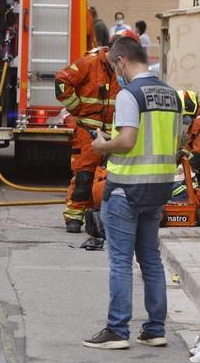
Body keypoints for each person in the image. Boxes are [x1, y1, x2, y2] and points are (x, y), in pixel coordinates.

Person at [83, 36, 181, 350]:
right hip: (158, 188)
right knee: (150, 259)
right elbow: (175, 143)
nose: (116, 73)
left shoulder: (129, 94)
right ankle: (154, 329)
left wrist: (101, 145)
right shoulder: (171, 95)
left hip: (126, 189)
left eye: (114, 67)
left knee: (121, 262)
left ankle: (117, 330)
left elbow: (126, 141)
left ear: (121, 61)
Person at [55, 30, 139, 233]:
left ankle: (100, 214)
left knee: (111, 178)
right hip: (88, 131)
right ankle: (74, 216)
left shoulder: (126, 70)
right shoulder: (89, 63)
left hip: (115, 133)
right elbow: (61, 82)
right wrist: (76, 108)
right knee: (84, 175)